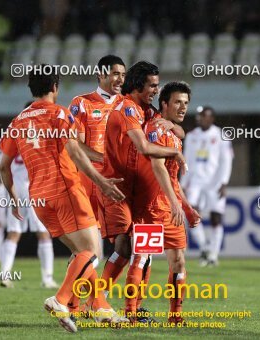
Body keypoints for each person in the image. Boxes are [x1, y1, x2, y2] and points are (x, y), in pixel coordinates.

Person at [0, 66, 128, 333]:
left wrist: (12, 196)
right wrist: (101, 181)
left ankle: (102, 309)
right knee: (93, 252)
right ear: (55, 86)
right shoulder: (60, 113)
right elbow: (76, 152)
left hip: (38, 199)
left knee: (80, 254)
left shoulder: (18, 120)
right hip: (65, 191)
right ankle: (59, 299)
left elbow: (3, 164)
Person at [95, 61, 186, 320]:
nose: (156, 90)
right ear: (137, 85)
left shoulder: (147, 110)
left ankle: (131, 307)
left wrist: (175, 129)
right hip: (117, 187)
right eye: (152, 85)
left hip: (139, 193)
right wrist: (175, 152)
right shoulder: (126, 108)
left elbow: (177, 127)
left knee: (139, 250)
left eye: (158, 86)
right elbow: (145, 148)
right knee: (125, 248)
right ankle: (96, 301)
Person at [132, 81, 201, 325]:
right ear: (164, 104)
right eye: (177, 102)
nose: (183, 107)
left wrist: (187, 207)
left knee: (178, 260)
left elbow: (172, 178)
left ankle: (175, 316)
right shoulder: (155, 128)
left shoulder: (173, 132)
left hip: (169, 206)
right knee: (142, 257)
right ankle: (132, 312)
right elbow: (157, 166)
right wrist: (174, 203)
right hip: (151, 205)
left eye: (186, 103)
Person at [66, 55, 125, 312]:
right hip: (89, 182)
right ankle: (73, 303)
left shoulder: (127, 104)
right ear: (101, 74)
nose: (120, 79)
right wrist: (104, 158)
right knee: (87, 249)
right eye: (115, 73)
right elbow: (74, 145)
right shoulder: (81, 104)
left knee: (127, 243)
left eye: (123, 74)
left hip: (120, 184)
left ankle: (97, 300)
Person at [0, 102, 58, 289]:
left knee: (13, 232)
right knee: (43, 234)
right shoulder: (42, 130)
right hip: (35, 187)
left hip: (16, 188)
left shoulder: (15, 126)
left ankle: (5, 274)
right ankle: (47, 278)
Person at [181, 106, 234, 267]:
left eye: (204, 116)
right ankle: (205, 248)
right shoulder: (191, 136)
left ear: (212, 118)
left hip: (215, 182)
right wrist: (183, 183)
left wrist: (224, 182)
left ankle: (213, 254)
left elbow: (227, 160)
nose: (200, 119)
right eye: (199, 116)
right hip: (196, 181)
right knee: (192, 215)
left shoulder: (221, 135)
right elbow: (186, 160)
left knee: (216, 217)